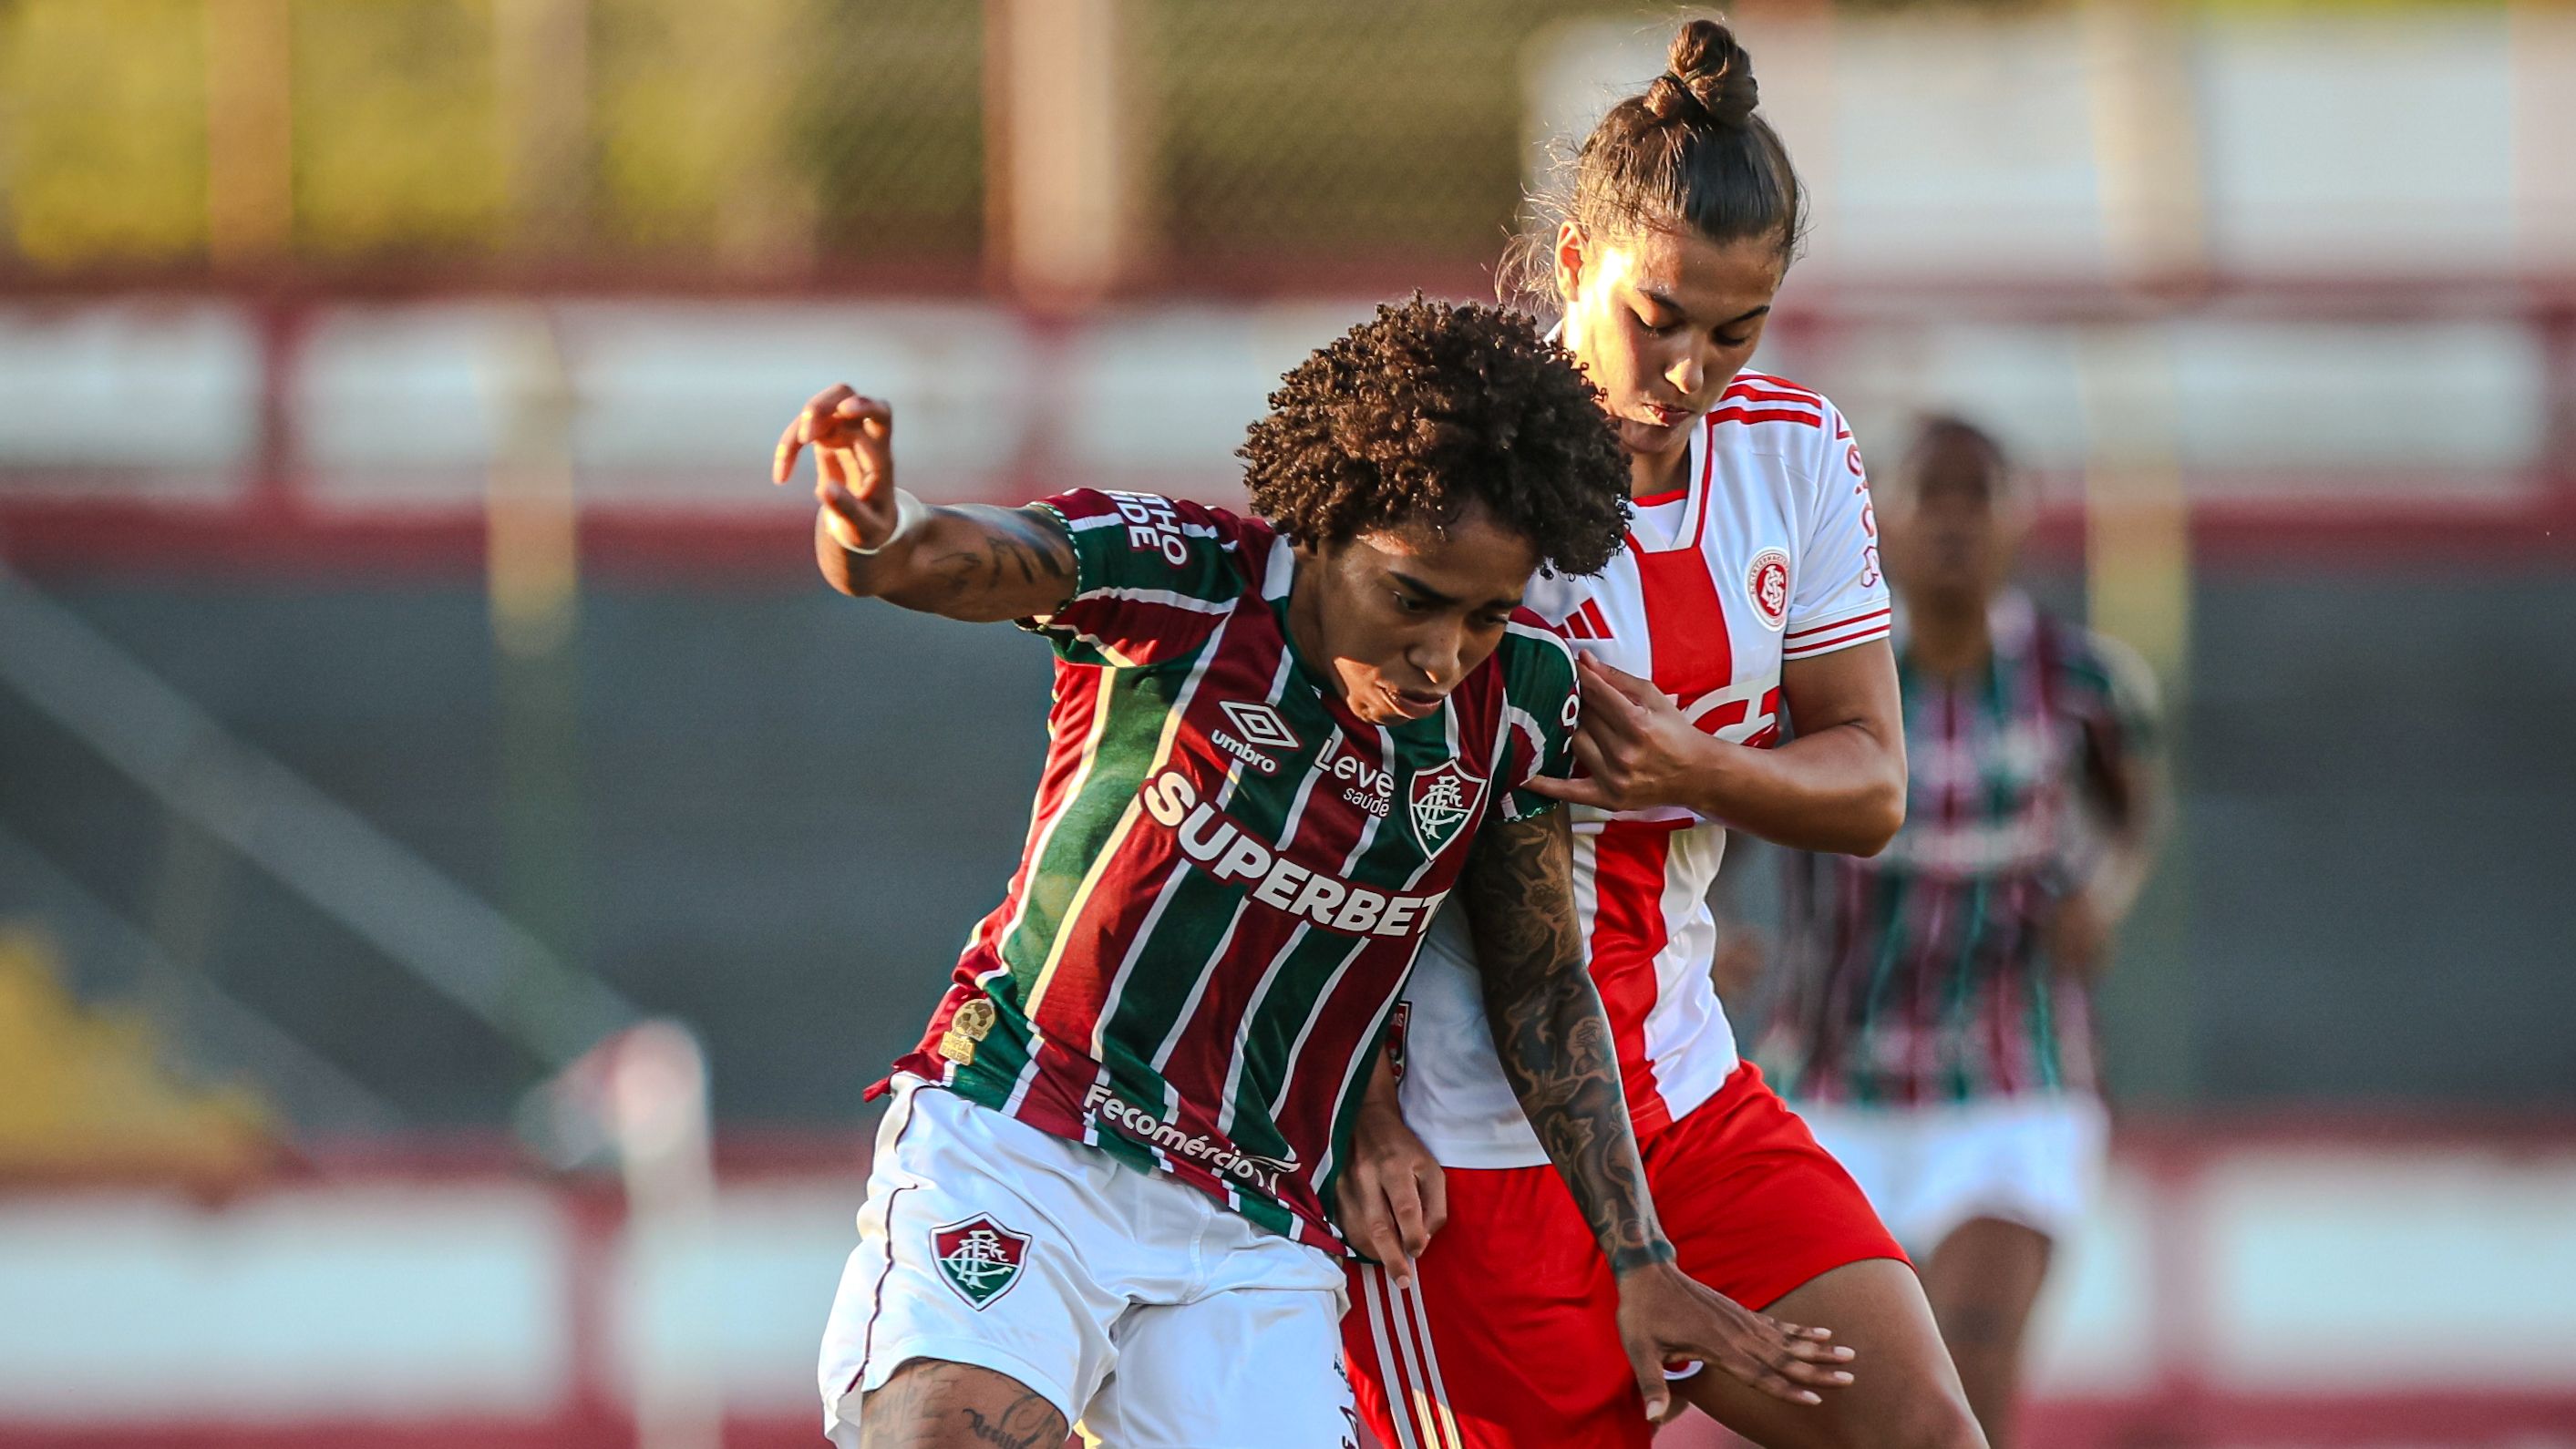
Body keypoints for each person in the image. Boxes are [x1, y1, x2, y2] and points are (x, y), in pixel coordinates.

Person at [788, 298, 1853, 1449]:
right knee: (944, 1432)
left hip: (1255, 1221)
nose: (1443, 654)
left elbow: (1540, 988)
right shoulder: (1183, 583)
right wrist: (874, 522)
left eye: (1489, 615)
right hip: (1033, 1132)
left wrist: (1641, 1257)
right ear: (1325, 524)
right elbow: (939, 557)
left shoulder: (1516, 708)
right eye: (1415, 598)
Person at [1334, 22, 1994, 1449]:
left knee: (1925, 1429)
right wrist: (1354, 1112)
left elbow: (1869, 780)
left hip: (1685, 1094)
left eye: (1736, 329)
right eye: (1661, 317)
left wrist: (1698, 772)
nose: (1694, 369)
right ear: (1573, 266)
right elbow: (1326, 803)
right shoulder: (1451, 463)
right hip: (1474, 1139)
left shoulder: (1798, 453)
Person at [1757, 415, 2167, 1449]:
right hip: (1832, 1082)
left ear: (2018, 522)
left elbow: (2135, 813)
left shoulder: (2083, 685)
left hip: (2007, 1080)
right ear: (1879, 519)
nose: (1949, 521)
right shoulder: (1816, 683)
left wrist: (2101, 897)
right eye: (1925, 495)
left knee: (1970, 1360)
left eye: (1973, 496)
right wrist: (1705, 933)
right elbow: (1721, 822)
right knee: (1833, 1394)